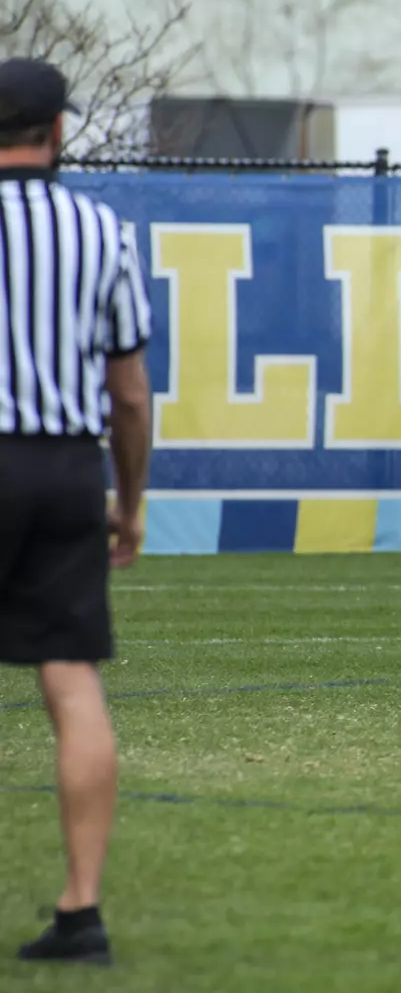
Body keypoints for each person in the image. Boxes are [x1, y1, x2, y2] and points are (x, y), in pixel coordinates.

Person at [0, 57, 153, 966]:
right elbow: (128, 394)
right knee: (72, 679)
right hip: (62, 466)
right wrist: (128, 504)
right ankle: (81, 909)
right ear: (58, 131)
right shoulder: (100, 230)